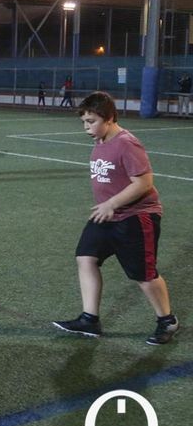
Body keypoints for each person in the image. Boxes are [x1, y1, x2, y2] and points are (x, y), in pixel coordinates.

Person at [52, 92, 180, 346]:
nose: (86, 128)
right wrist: (108, 206)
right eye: (84, 122)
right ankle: (90, 320)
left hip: (136, 217)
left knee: (143, 274)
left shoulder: (126, 143)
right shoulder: (101, 140)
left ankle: (167, 320)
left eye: (91, 121)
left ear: (109, 118)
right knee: (86, 257)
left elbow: (144, 182)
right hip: (108, 215)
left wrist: (112, 203)